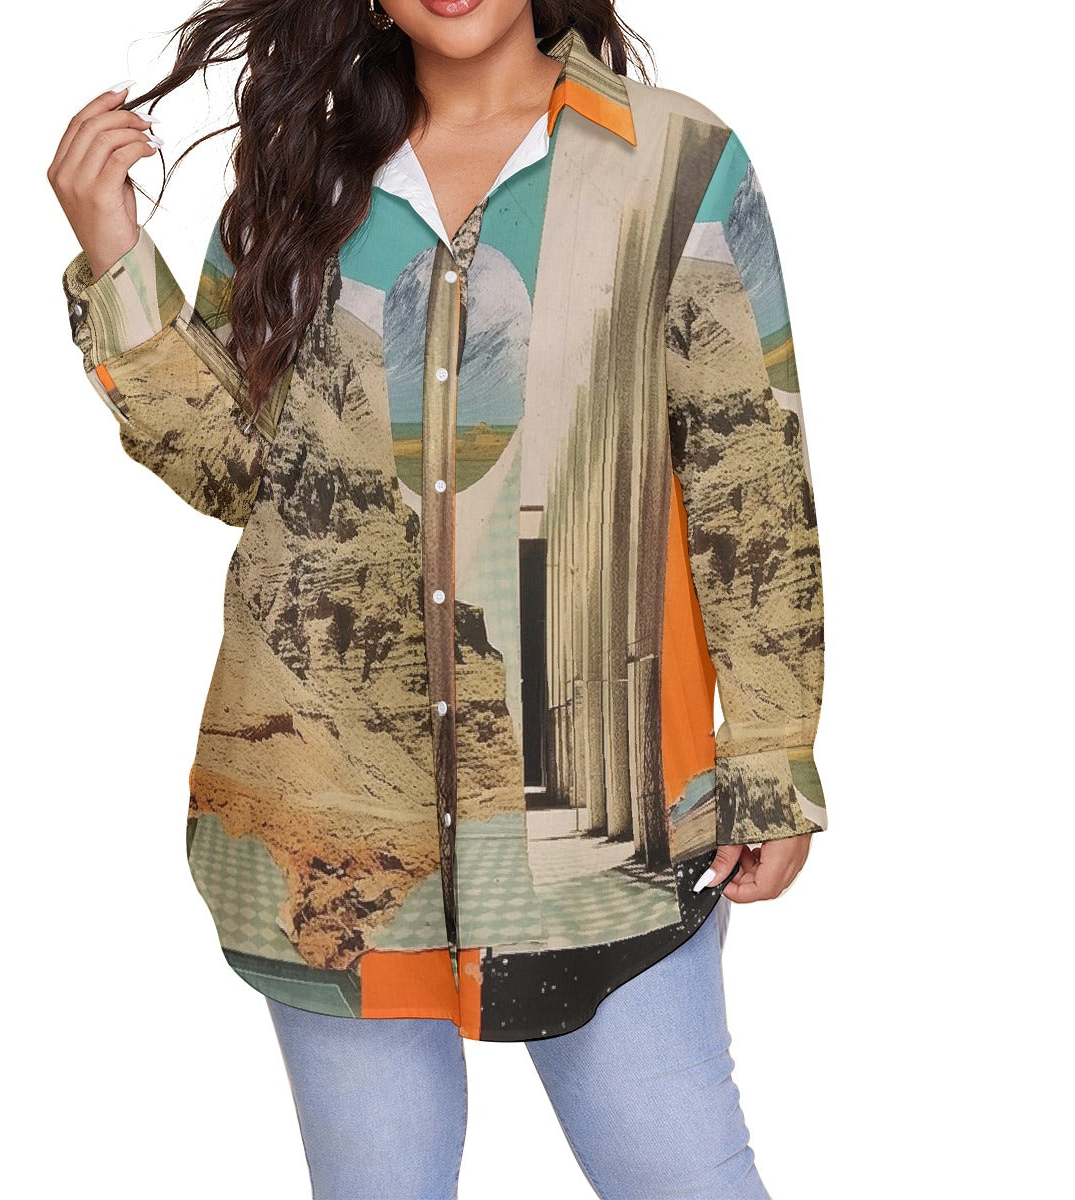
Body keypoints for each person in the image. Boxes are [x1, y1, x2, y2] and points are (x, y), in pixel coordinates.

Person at [49, 1, 828, 1196]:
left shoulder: (675, 163)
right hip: (332, 824)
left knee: (685, 1173)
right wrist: (115, 258)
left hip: (597, 814)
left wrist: (773, 755)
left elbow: (748, 472)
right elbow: (237, 474)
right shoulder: (299, 175)